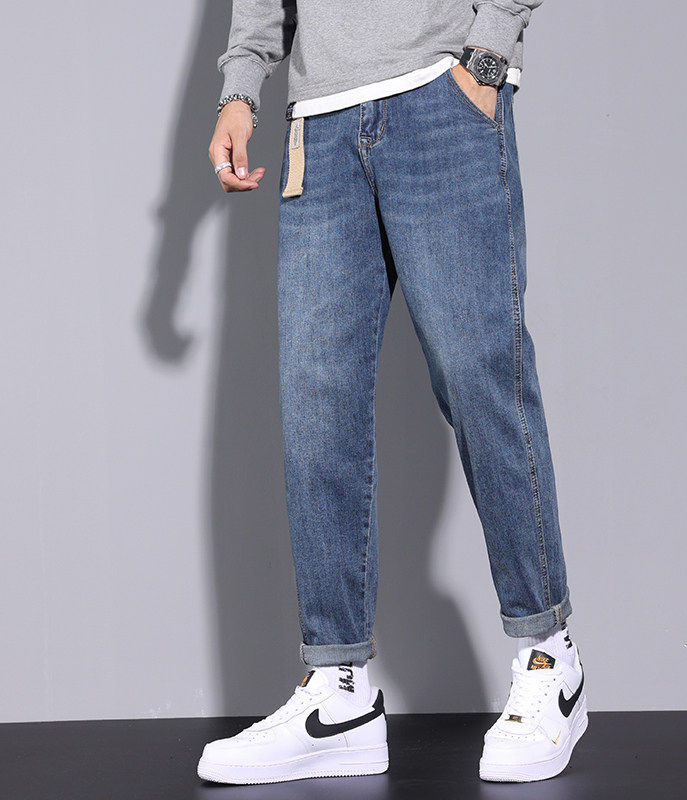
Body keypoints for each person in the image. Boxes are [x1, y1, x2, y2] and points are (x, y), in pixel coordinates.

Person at [198, 0, 586, 785]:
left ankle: (551, 658)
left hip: (442, 95)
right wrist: (241, 90)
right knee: (318, 407)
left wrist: (487, 52)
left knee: (482, 378)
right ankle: (338, 692)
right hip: (320, 124)